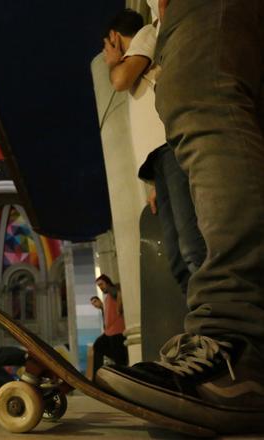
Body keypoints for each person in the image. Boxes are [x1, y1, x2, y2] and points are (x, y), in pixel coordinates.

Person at [96, 0, 264, 434]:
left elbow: (120, 79)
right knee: (180, 253)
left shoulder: (147, 38)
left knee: (196, 84)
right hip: (165, 158)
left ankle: (237, 346)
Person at [103, 8, 206, 294]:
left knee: (191, 245)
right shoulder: (136, 52)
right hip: (158, 160)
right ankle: (201, 319)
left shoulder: (146, 35)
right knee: (175, 256)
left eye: (107, 44)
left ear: (113, 36)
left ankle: (220, 322)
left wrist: (113, 62)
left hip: (170, 147)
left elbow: (120, 80)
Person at [91, 276, 128, 378]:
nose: (100, 287)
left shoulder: (112, 290)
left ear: (107, 282)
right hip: (110, 332)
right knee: (99, 346)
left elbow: (119, 293)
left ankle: (100, 376)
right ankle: (97, 376)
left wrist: (119, 308)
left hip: (117, 332)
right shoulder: (107, 297)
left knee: (119, 358)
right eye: (99, 286)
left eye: (101, 284)